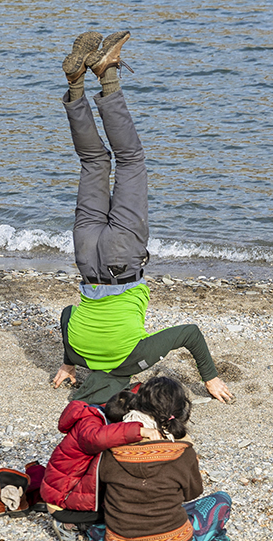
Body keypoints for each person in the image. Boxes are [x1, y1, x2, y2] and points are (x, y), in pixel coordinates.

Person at [53, 29, 234, 406]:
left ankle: (107, 75)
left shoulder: (132, 362)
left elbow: (189, 334)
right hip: (86, 256)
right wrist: (69, 365)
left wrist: (211, 378)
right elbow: (68, 315)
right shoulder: (82, 353)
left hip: (121, 256)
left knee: (131, 160)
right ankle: (75, 87)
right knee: (93, 162)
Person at [85, 377, 232, 541]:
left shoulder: (112, 448)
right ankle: (205, 540)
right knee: (221, 499)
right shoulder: (182, 453)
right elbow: (192, 493)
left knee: (95, 526)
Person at [40, 385, 160, 541]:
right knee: (118, 513)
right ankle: (68, 525)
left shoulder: (100, 413)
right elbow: (97, 438)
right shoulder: (90, 426)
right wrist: (140, 431)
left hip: (62, 491)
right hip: (62, 502)